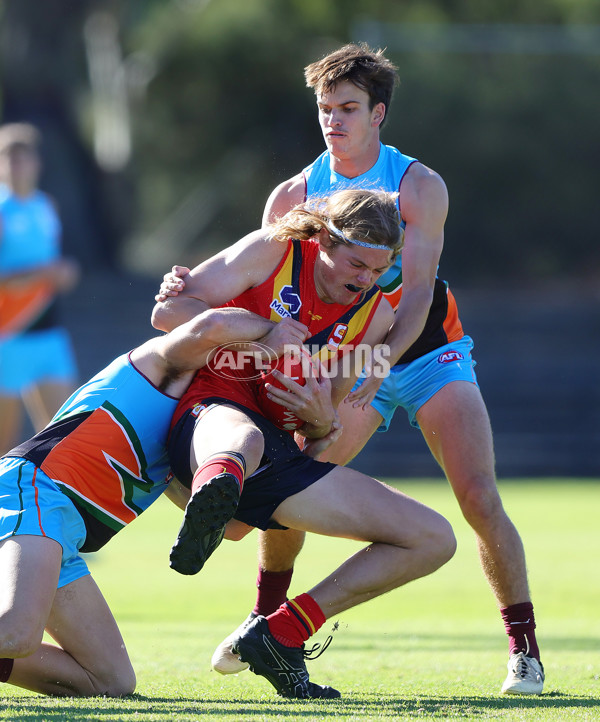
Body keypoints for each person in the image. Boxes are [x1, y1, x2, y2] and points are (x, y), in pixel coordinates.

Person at [158, 43, 544, 696]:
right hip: (338, 359)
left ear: (378, 113)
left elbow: (417, 295)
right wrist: (189, 288)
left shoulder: (418, 184)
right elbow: (264, 285)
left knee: (477, 496)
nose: (333, 121)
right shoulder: (292, 196)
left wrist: (379, 362)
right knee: (290, 483)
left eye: (347, 109)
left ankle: (523, 648)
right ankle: (267, 620)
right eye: (324, 109)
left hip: (423, 351)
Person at [151, 188, 456, 699]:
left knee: (433, 537)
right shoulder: (275, 248)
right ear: (323, 241)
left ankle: (279, 631)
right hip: (208, 409)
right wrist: (261, 332)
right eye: (356, 263)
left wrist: (319, 422)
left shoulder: (376, 317)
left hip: (275, 446)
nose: (363, 280)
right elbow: (167, 316)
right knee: (241, 440)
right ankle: (212, 488)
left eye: (377, 271)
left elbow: (327, 417)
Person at [0, 299, 303, 697]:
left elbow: (233, 528)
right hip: (33, 492)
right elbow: (211, 323)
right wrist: (274, 330)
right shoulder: (157, 367)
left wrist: (310, 442)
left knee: (110, 681)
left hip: (60, 535)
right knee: (18, 634)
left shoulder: (189, 433)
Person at [0, 123, 81, 456]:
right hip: (7, 339)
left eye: (22, 159)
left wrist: (64, 272)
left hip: (49, 336)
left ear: (36, 163)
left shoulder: (46, 207)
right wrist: (44, 273)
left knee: (65, 441)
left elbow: (52, 265)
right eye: (8, 159)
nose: (16, 167)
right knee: (4, 446)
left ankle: (50, 508)